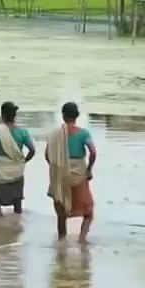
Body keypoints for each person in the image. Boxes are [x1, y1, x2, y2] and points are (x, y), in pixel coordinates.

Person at [44, 101, 97, 242]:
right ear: (77, 116)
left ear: (63, 116)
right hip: (79, 176)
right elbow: (93, 152)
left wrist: (58, 169)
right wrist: (89, 170)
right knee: (88, 211)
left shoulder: (54, 135)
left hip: (61, 176)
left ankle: (61, 242)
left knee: (61, 213)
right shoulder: (83, 134)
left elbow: (47, 155)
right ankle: (82, 239)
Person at [0, 101, 36, 217]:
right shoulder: (23, 132)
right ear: (15, 116)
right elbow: (32, 150)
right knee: (17, 201)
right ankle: (17, 226)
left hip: (1, 171)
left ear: (2, 115)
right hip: (17, 172)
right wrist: (22, 162)